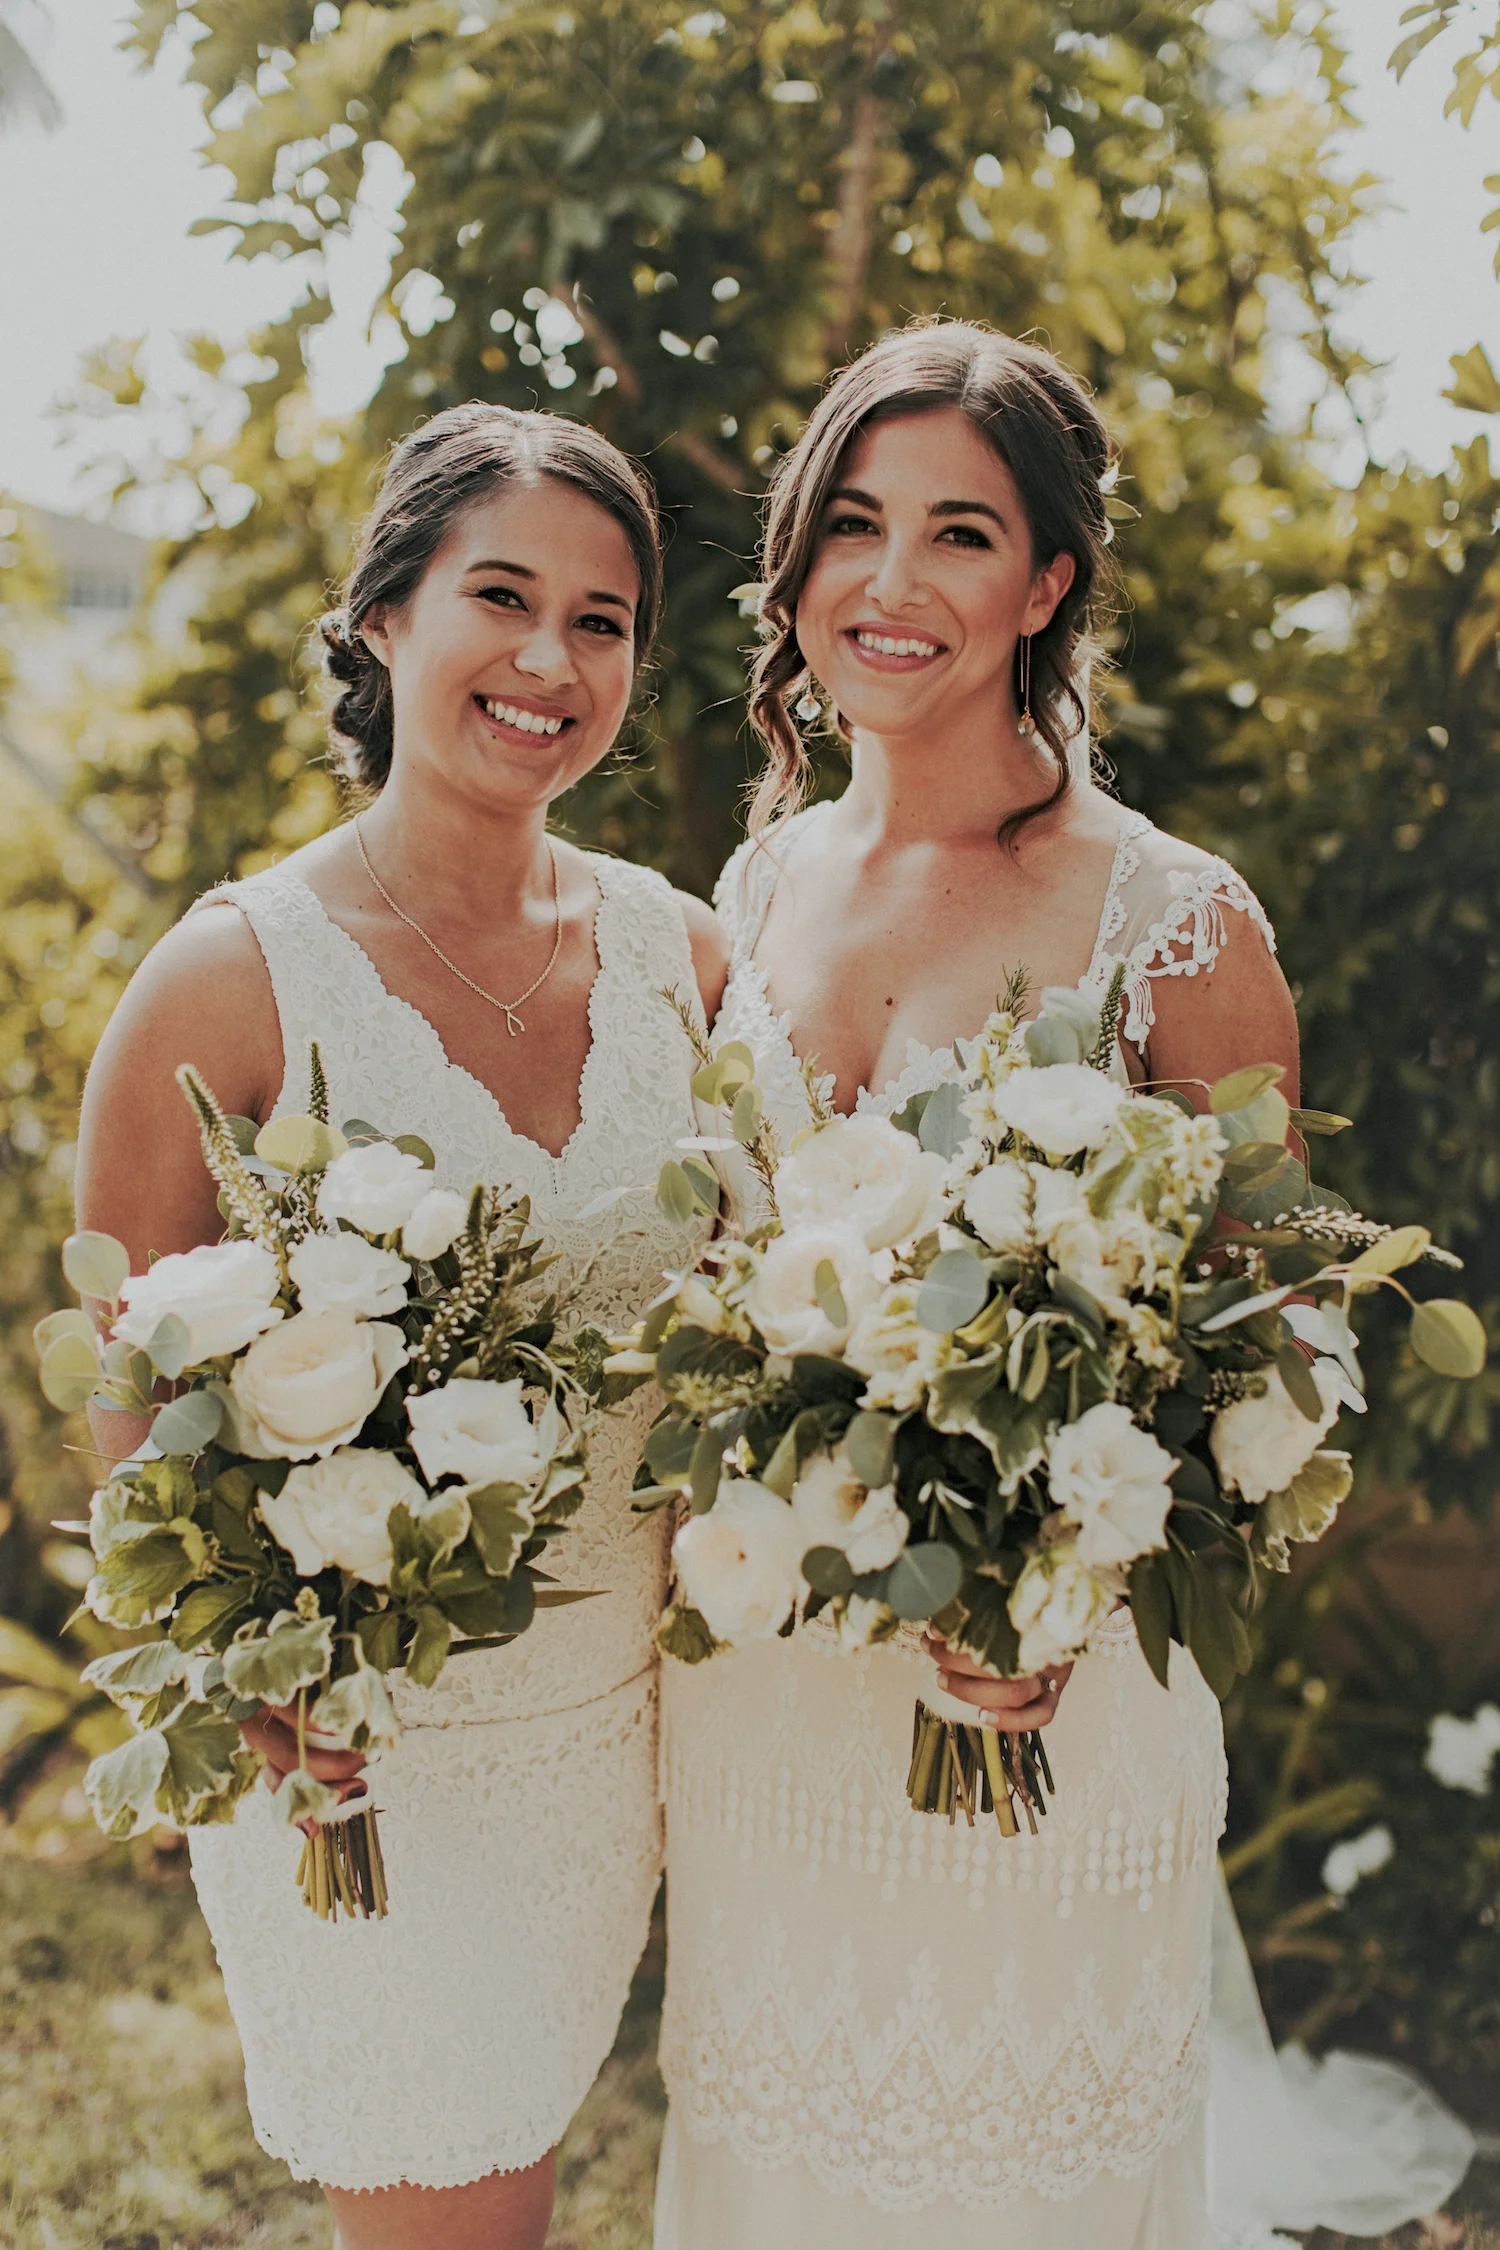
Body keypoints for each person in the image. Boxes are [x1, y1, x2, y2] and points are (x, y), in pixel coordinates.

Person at [655, 319, 1297, 2249]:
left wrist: (1064, 1586)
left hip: (1053, 1692)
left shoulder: (1175, 918)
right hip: (774, 1692)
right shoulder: (753, 894)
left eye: (958, 532)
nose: (892, 582)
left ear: (1049, 581)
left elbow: (1276, 1343)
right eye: (852, 525)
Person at [75, 402, 727, 2250]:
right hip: (362, 1745)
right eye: (501, 594)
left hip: (611, 1736)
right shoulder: (229, 973)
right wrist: (239, 1661)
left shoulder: (682, 957)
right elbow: (126, 1377)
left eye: (603, 620)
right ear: (384, 615)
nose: (550, 658)